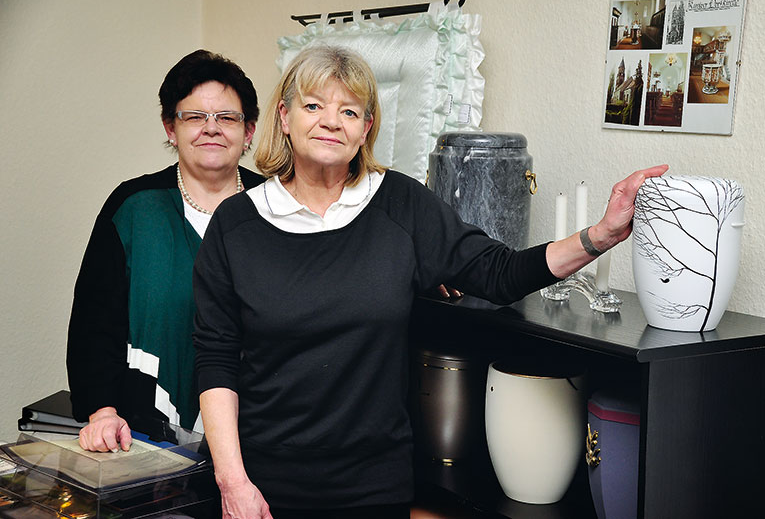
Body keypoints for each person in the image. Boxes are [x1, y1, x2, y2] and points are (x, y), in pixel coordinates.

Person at [193, 44, 668, 519]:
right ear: (284, 116)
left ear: (366, 128)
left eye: (349, 111)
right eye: (313, 106)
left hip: (374, 487)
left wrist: (601, 236)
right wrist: (233, 483)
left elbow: (499, 274)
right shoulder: (237, 225)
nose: (331, 122)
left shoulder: (402, 206)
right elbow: (216, 360)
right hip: (265, 487)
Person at [66, 49, 264, 453]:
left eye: (227, 117)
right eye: (194, 117)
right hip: (142, 434)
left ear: (249, 132)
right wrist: (102, 411)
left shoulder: (276, 208)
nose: (212, 129)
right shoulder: (134, 206)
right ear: (170, 128)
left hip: (259, 434)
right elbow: (94, 323)